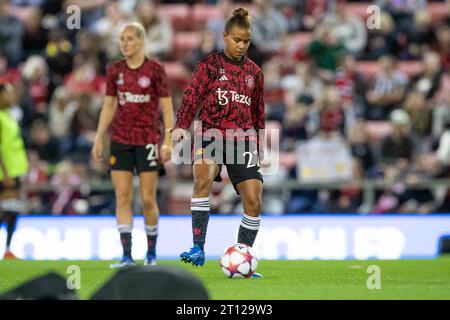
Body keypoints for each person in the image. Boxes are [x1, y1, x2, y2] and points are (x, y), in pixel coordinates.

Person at [171, 8, 265, 278]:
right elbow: (191, 98)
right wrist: (180, 126)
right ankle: (198, 247)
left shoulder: (255, 73)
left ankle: (243, 255)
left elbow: (259, 112)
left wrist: (259, 144)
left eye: (246, 41)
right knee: (202, 177)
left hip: (243, 140)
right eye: (237, 40)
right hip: (211, 133)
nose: (241, 46)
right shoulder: (208, 66)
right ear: (225, 36)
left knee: (253, 200)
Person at [91, 22, 174, 268]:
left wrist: (167, 141)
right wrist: (99, 137)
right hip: (121, 140)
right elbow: (108, 106)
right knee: (122, 197)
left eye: (129, 39)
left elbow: (167, 109)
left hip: (148, 140)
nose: (124, 43)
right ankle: (127, 255)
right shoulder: (114, 70)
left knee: (148, 199)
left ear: (141, 41)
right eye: (121, 39)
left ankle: (151, 254)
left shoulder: (156, 69)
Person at [0, 83, 28, 259]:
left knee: (12, 209)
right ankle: (7, 249)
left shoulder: (8, 115)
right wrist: (6, 172)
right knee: (7, 210)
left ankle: (8, 249)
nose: (12, 97)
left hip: (15, 169)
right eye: (8, 94)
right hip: (5, 172)